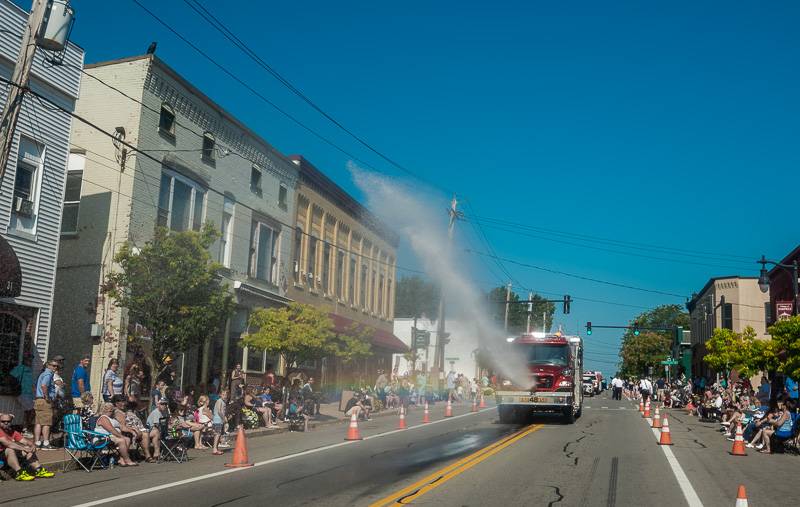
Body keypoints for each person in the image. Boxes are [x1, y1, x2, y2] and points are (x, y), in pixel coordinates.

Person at [0, 413, 55, 481]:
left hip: (9, 455)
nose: (6, 423)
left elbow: (24, 441)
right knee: (10, 449)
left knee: (28, 450)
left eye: (8, 421)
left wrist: (32, 446)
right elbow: (8, 444)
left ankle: (38, 470)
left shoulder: (12, 431)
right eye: (3, 421)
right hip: (2, 454)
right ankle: (19, 473)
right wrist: (24, 448)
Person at [122, 397, 160, 462]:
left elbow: (141, 423)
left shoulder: (136, 413)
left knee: (155, 431)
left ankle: (156, 452)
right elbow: (123, 425)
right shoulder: (122, 413)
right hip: (132, 432)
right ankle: (147, 456)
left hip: (141, 429)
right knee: (145, 434)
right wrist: (134, 429)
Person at [34, 360, 58, 449]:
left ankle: (37, 442)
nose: (55, 368)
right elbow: (44, 385)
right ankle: (46, 443)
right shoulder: (48, 374)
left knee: (38, 422)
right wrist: (47, 397)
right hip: (44, 401)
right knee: (47, 423)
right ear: (48, 365)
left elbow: (36, 385)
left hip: (38, 400)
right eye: (53, 365)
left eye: (57, 366)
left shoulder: (42, 374)